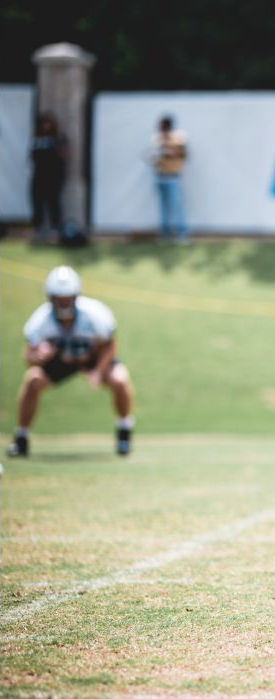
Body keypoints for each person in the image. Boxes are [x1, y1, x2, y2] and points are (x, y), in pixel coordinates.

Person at [6, 266, 136, 458]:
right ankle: (21, 439)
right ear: (51, 297)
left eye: (68, 297)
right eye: (59, 297)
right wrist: (39, 357)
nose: (64, 302)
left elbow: (109, 344)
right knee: (32, 379)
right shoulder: (41, 320)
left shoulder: (94, 313)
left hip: (92, 358)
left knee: (120, 379)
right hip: (60, 362)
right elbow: (29, 358)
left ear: (76, 296)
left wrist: (99, 371)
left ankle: (124, 434)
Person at [29, 112, 68, 243]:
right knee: (37, 201)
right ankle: (38, 229)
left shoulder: (58, 138)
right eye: (43, 123)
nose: (46, 126)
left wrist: (57, 146)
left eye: (48, 123)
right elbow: (31, 157)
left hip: (54, 177)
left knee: (53, 202)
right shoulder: (37, 140)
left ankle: (54, 230)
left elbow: (64, 155)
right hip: (39, 175)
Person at [150, 115, 189, 244]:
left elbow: (184, 154)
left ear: (168, 125)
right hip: (160, 176)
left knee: (177, 207)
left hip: (173, 177)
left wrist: (171, 152)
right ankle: (164, 234)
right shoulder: (157, 138)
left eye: (162, 125)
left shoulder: (178, 137)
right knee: (163, 208)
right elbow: (153, 156)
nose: (160, 128)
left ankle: (182, 234)